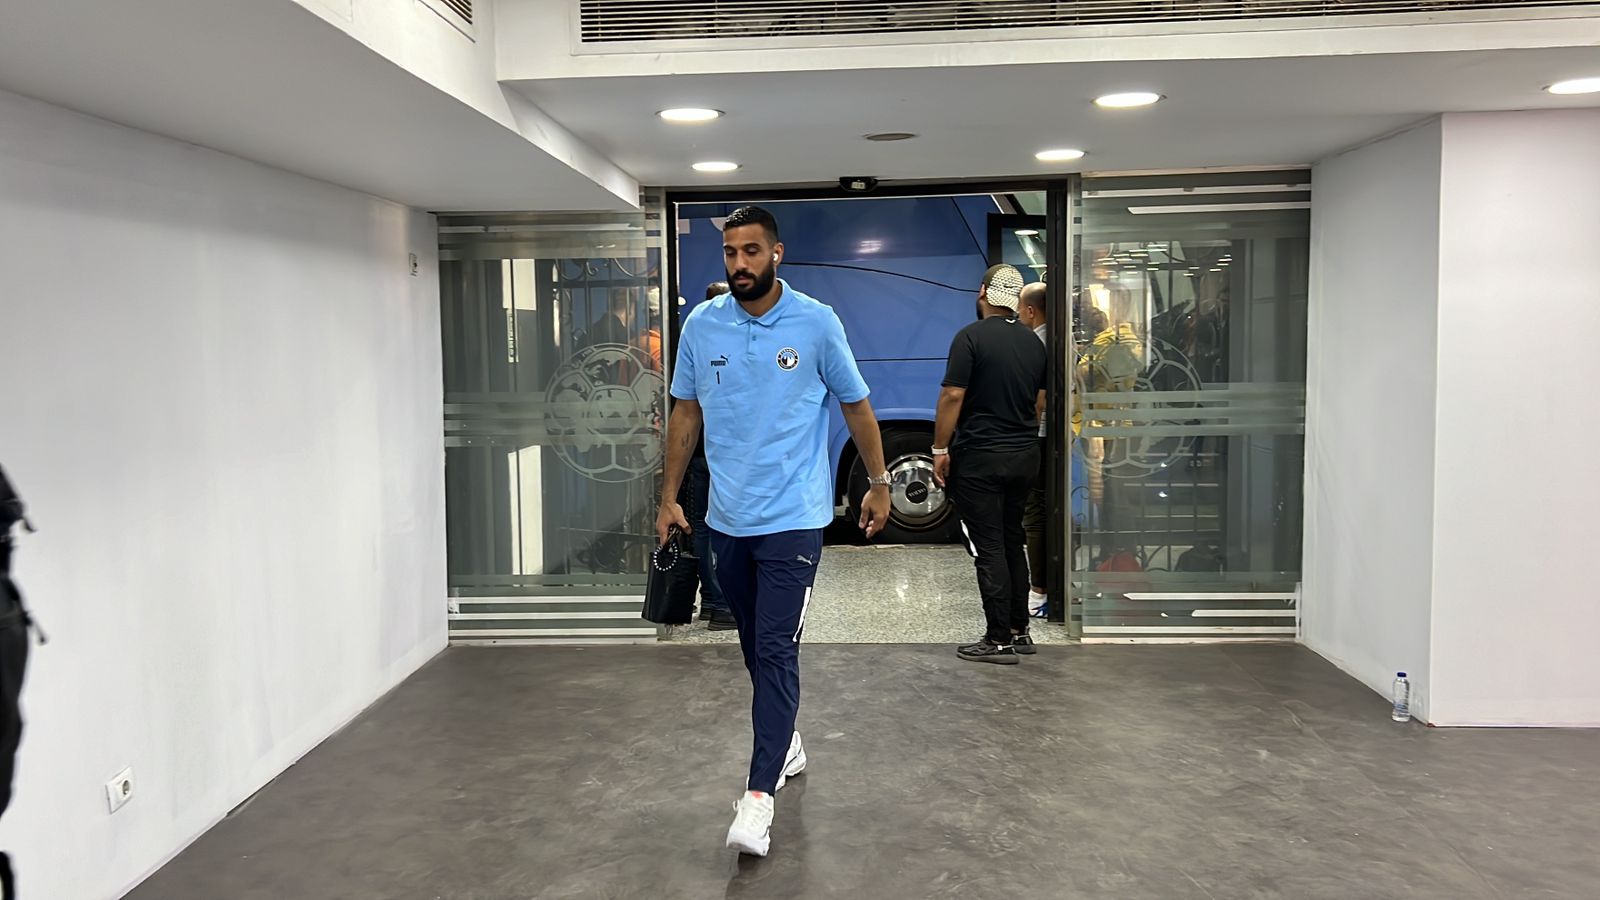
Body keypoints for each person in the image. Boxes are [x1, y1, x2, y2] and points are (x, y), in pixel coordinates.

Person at [657, 206, 891, 857]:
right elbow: (685, 412)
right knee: (755, 649)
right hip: (727, 523)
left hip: (794, 520)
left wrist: (878, 481)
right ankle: (785, 742)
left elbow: (856, 404)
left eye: (751, 251)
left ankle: (759, 796)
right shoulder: (703, 325)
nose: (739, 264)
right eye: (731, 253)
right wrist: (668, 497)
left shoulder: (816, 322)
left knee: (776, 649)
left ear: (777, 253)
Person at [932, 264, 1047, 665]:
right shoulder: (1034, 342)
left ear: (982, 292)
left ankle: (997, 640)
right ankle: (1019, 631)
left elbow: (952, 396)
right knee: (1013, 539)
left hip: (981, 457)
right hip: (1025, 455)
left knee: (990, 546)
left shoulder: (970, 337)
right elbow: (1039, 402)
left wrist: (940, 448)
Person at [1016, 282, 1050, 618]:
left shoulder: (1036, 343)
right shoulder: (1062, 338)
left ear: (1030, 310)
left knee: (1035, 514)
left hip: (1038, 435)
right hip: (1057, 435)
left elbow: (1038, 399)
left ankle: (1039, 591)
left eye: (1019, 308)